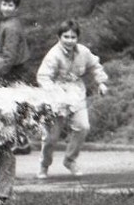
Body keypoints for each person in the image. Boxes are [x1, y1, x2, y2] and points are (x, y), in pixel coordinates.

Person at [35, 19, 109, 179]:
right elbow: (43, 77)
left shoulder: (83, 52)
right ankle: (44, 164)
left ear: (77, 38)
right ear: (59, 37)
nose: (69, 41)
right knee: (51, 136)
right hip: (56, 96)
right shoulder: (53, 55)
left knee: (83, 126)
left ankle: (70, 160)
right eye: (66, 37)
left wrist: (101, 82)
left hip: (76, 93)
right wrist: (54, 93)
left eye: (73, 37)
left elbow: (95, 66)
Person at [0, 0, 32, 154]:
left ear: (16, 8)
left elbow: (10, 54)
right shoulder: (10, 23)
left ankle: (19, 141)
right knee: (15, 106)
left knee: (11, 106)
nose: (6, 8)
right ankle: (21, 141)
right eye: (4, 4)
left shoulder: (11, 26)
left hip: (13, 70)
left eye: (10, 5)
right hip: (14, 68)